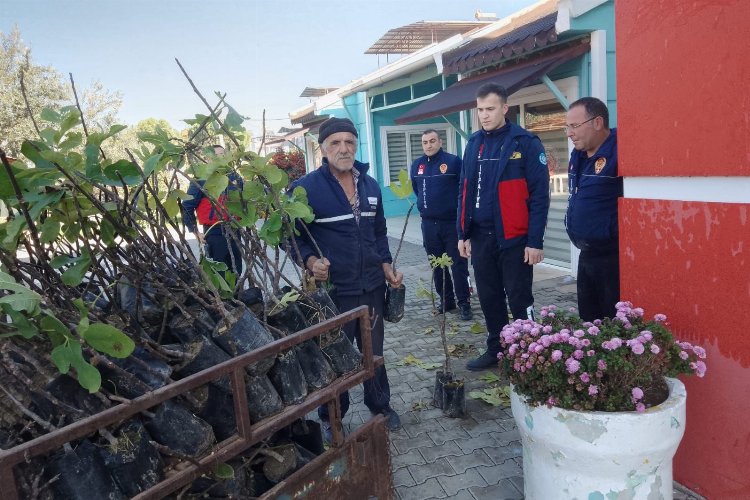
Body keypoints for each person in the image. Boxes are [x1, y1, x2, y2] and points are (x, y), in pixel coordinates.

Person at [290, 117, 403, 438]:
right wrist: (311, 261)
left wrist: (386, 265)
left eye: (349, 142)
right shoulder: (305, 189)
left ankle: (380, 404)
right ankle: (332, 416)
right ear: (323, 148)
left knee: (374, 351)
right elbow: (291, 237)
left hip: (372, 285)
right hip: (334, 291)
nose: (344, 148)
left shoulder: (370, 185)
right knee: (335, 355)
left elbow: (379, 233)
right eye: (336, 143)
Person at [458, 83, 551, 371]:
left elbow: (540, 196)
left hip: (514, 238)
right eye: (480, 110)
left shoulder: (525, 142)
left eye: (490, 109)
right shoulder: (474, 143)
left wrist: (535, 241)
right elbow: (464, 190)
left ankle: (529, 353)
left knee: (519, 297)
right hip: (481, 237)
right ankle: (497, 350)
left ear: (504, 108)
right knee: (489, 296)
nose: (484, 115)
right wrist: (463, 233)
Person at [564, 97, 622, 321]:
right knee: (589, 321)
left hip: (612, 258)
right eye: (567, 127)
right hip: (586, 254)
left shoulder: (620, 151)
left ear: (597, 122)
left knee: (613, 322)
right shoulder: (577, 156)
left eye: (574, 126)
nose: (569, 133)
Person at [410, 129, 472, 320]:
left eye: (432, 141)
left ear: (440, 142)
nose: (428, 145)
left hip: (451, 224)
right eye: (425, 142)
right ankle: (447, 301)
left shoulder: (453, 162)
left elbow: (464, 189)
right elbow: (416, 190)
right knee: (437, 265)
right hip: (429, 225)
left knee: (458, 265)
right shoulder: (417, 165)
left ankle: (464, 303)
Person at [181, 145, 242, 274]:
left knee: (236, 270)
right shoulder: (201, 179)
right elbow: (187, 205)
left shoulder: (234, 177)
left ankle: (237, 294)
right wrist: (195, 231)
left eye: (223, 154)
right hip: (214, 232)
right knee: (218, 272)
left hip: (235, 230)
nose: (222, 157)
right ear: (209, 159)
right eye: (218, 155)